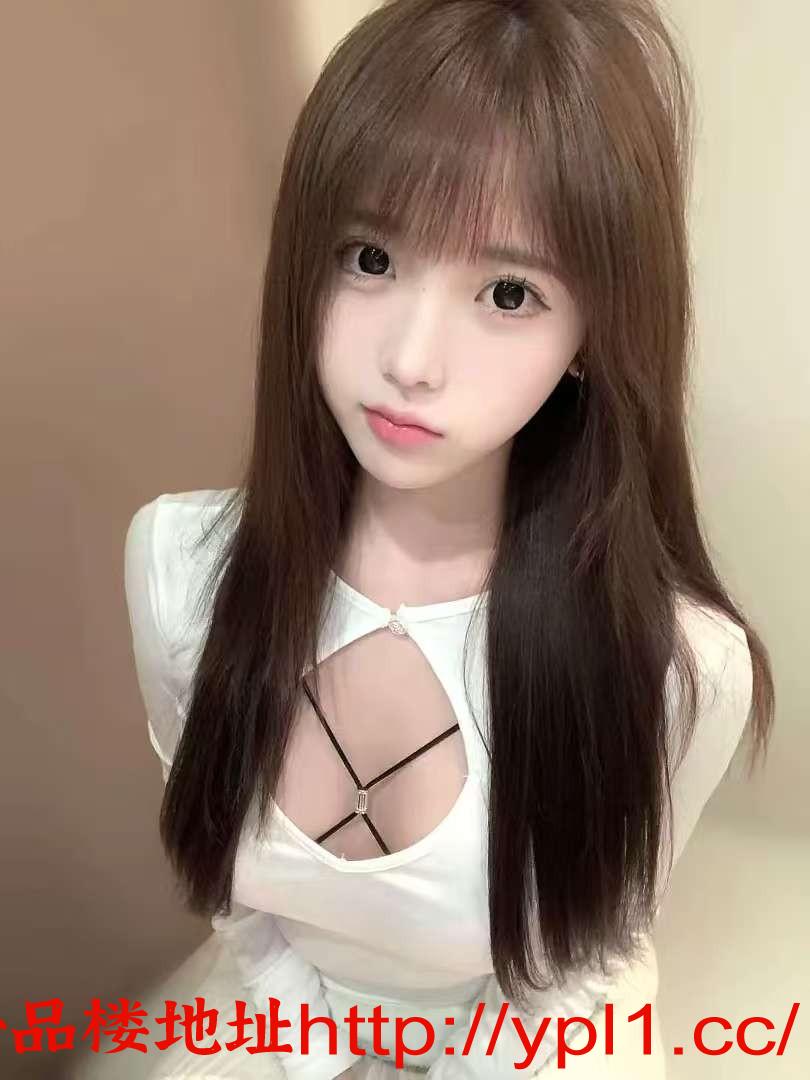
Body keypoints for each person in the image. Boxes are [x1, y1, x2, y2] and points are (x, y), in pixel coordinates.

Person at [123, 0, 774, 1076]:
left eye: (509, 291)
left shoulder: (675, 666)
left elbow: (581, 961)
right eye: (369, 256)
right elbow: (234, 903)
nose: (411, 360)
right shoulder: (180, 572)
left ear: (594, 332)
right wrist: (317, 1045)